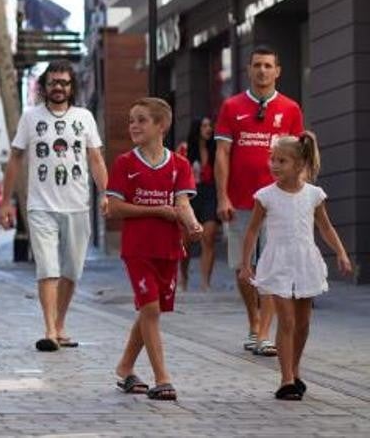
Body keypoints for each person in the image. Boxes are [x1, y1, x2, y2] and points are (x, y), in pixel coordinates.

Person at [0, 60, 109, 352]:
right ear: (44, 86)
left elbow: (96, 159)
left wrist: (106, 193)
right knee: (47, 268)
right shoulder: (30, 118)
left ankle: (60, 325)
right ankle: (49, 331)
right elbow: (15, 159)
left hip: (77, 205)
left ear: (72, 87)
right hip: (40, 206)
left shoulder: (84, 117)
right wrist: (6, 201)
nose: (58, 87)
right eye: (53, 82)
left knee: (71, 270)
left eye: (64, 82)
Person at [239, 133, 353, 400]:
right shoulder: (265, 196)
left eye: (282, 161)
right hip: (277, 263)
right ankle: (286, 380)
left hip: (305, 262)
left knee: (303, 324)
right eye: (273, 160)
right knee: (287, 321)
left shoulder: (314, 195)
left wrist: (341, 253)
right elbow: (252, 230)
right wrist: (245, 264)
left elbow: (325, 227)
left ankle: (295, 369)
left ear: (300, 164)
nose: (274, 165)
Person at [105, 98, 203, 401]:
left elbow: (182, 203)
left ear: (162, 125)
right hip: (137, 249)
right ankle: (163, 379)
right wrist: (156, 211)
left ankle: (125, 368)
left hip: (169, 248)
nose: (134, 126)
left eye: (142, 120)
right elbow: (114, 208)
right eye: (131, 120)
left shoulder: (180, 164)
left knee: (151, 309)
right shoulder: (124, 163)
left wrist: (193, 224)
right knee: (150, 309)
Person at [215, 46, 304, 356]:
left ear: (277, 71)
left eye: (268, 65)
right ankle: (253, 321)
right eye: (257, 65)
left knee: (271, 266)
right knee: (243, 267)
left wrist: (298, 195)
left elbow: (299, 157)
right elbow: (222, 153)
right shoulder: (231, 106)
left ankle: (264, 334)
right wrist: (222, 196)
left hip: (278, 202)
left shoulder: (290, 108)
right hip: (240, 201)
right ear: (249, 70)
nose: (262, 71)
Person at [179, 117, 218, 291]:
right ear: (197, 129)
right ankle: (183, 277)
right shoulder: (184, 149)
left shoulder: (215, 149)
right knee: (186, 242)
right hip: (189, 196)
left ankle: (205, 283)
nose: (208, 129)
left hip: (210, 194)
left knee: (208, 237)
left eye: (210, 126)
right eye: (204, 126)